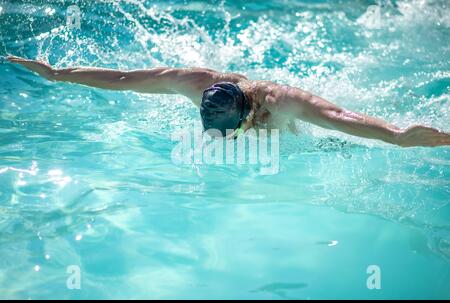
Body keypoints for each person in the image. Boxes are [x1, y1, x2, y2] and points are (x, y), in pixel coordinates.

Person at [7, 55, 450, 147]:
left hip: (295, 136)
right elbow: (124, 78)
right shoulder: (190, 81)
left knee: (331, 139)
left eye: (230, 133)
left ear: (248, 116)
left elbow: (339, 116)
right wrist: (61, 74)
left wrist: (396, 135)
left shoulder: (283, 103)